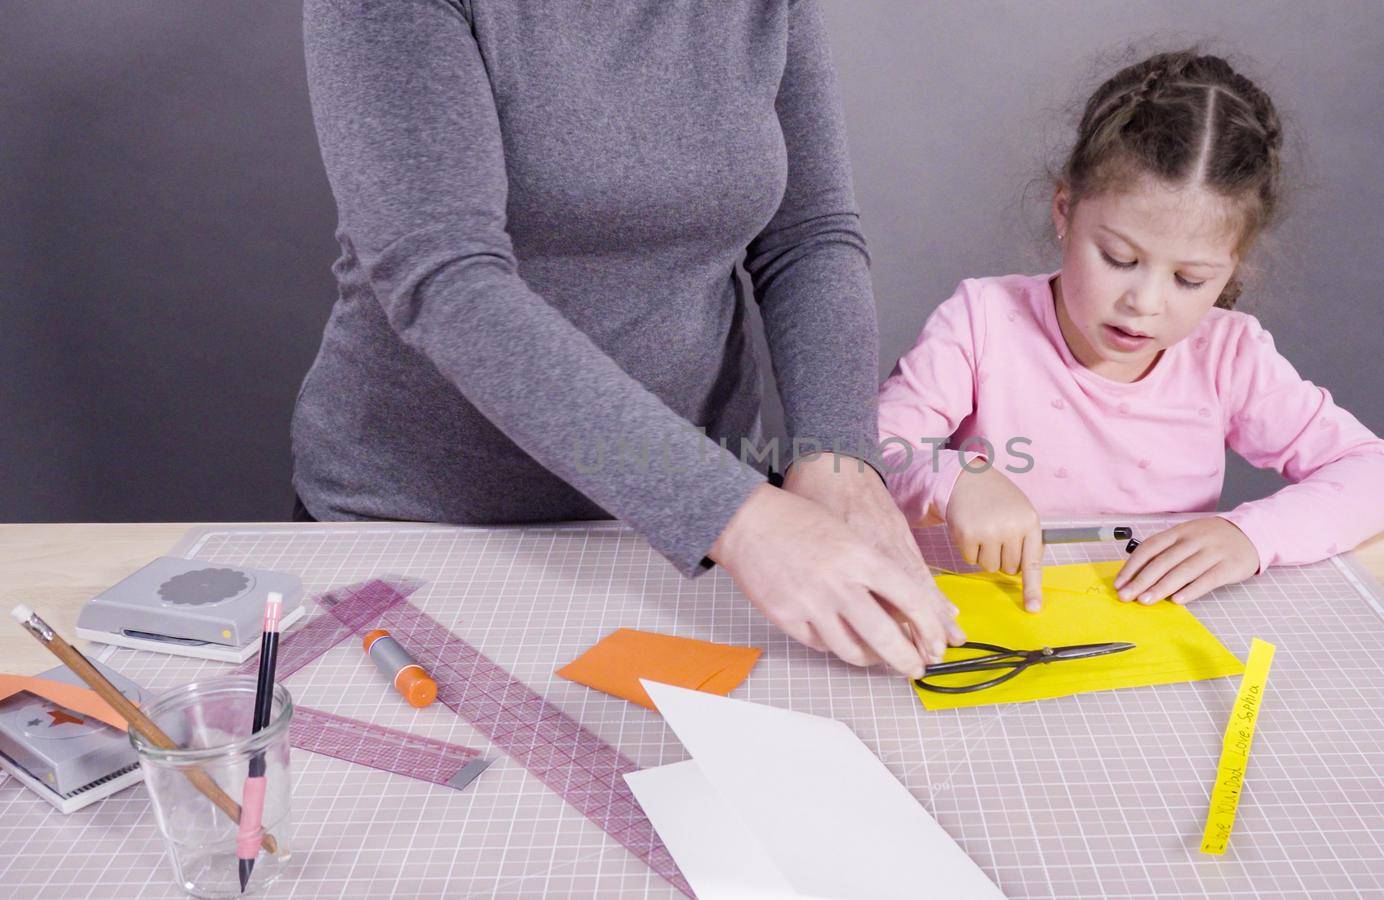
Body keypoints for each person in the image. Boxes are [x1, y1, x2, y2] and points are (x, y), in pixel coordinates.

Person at [296, 0, 961, 677]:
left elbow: (808, 239)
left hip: (698, 537)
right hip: (430, 525)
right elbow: (445, 280)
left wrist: (839, 455)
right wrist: (738, 516)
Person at [877, 49, 1384, 612]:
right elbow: (850, 456)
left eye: (1189, 278)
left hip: (1145, 630)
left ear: (1234, 264)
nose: (1144, 303)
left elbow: (1379, 476)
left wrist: (1251, 536)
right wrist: (954, 477)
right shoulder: (981, 322)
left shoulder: (1229, 355)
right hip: (985, 619)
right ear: (1065, 211)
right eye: (1118, 257)